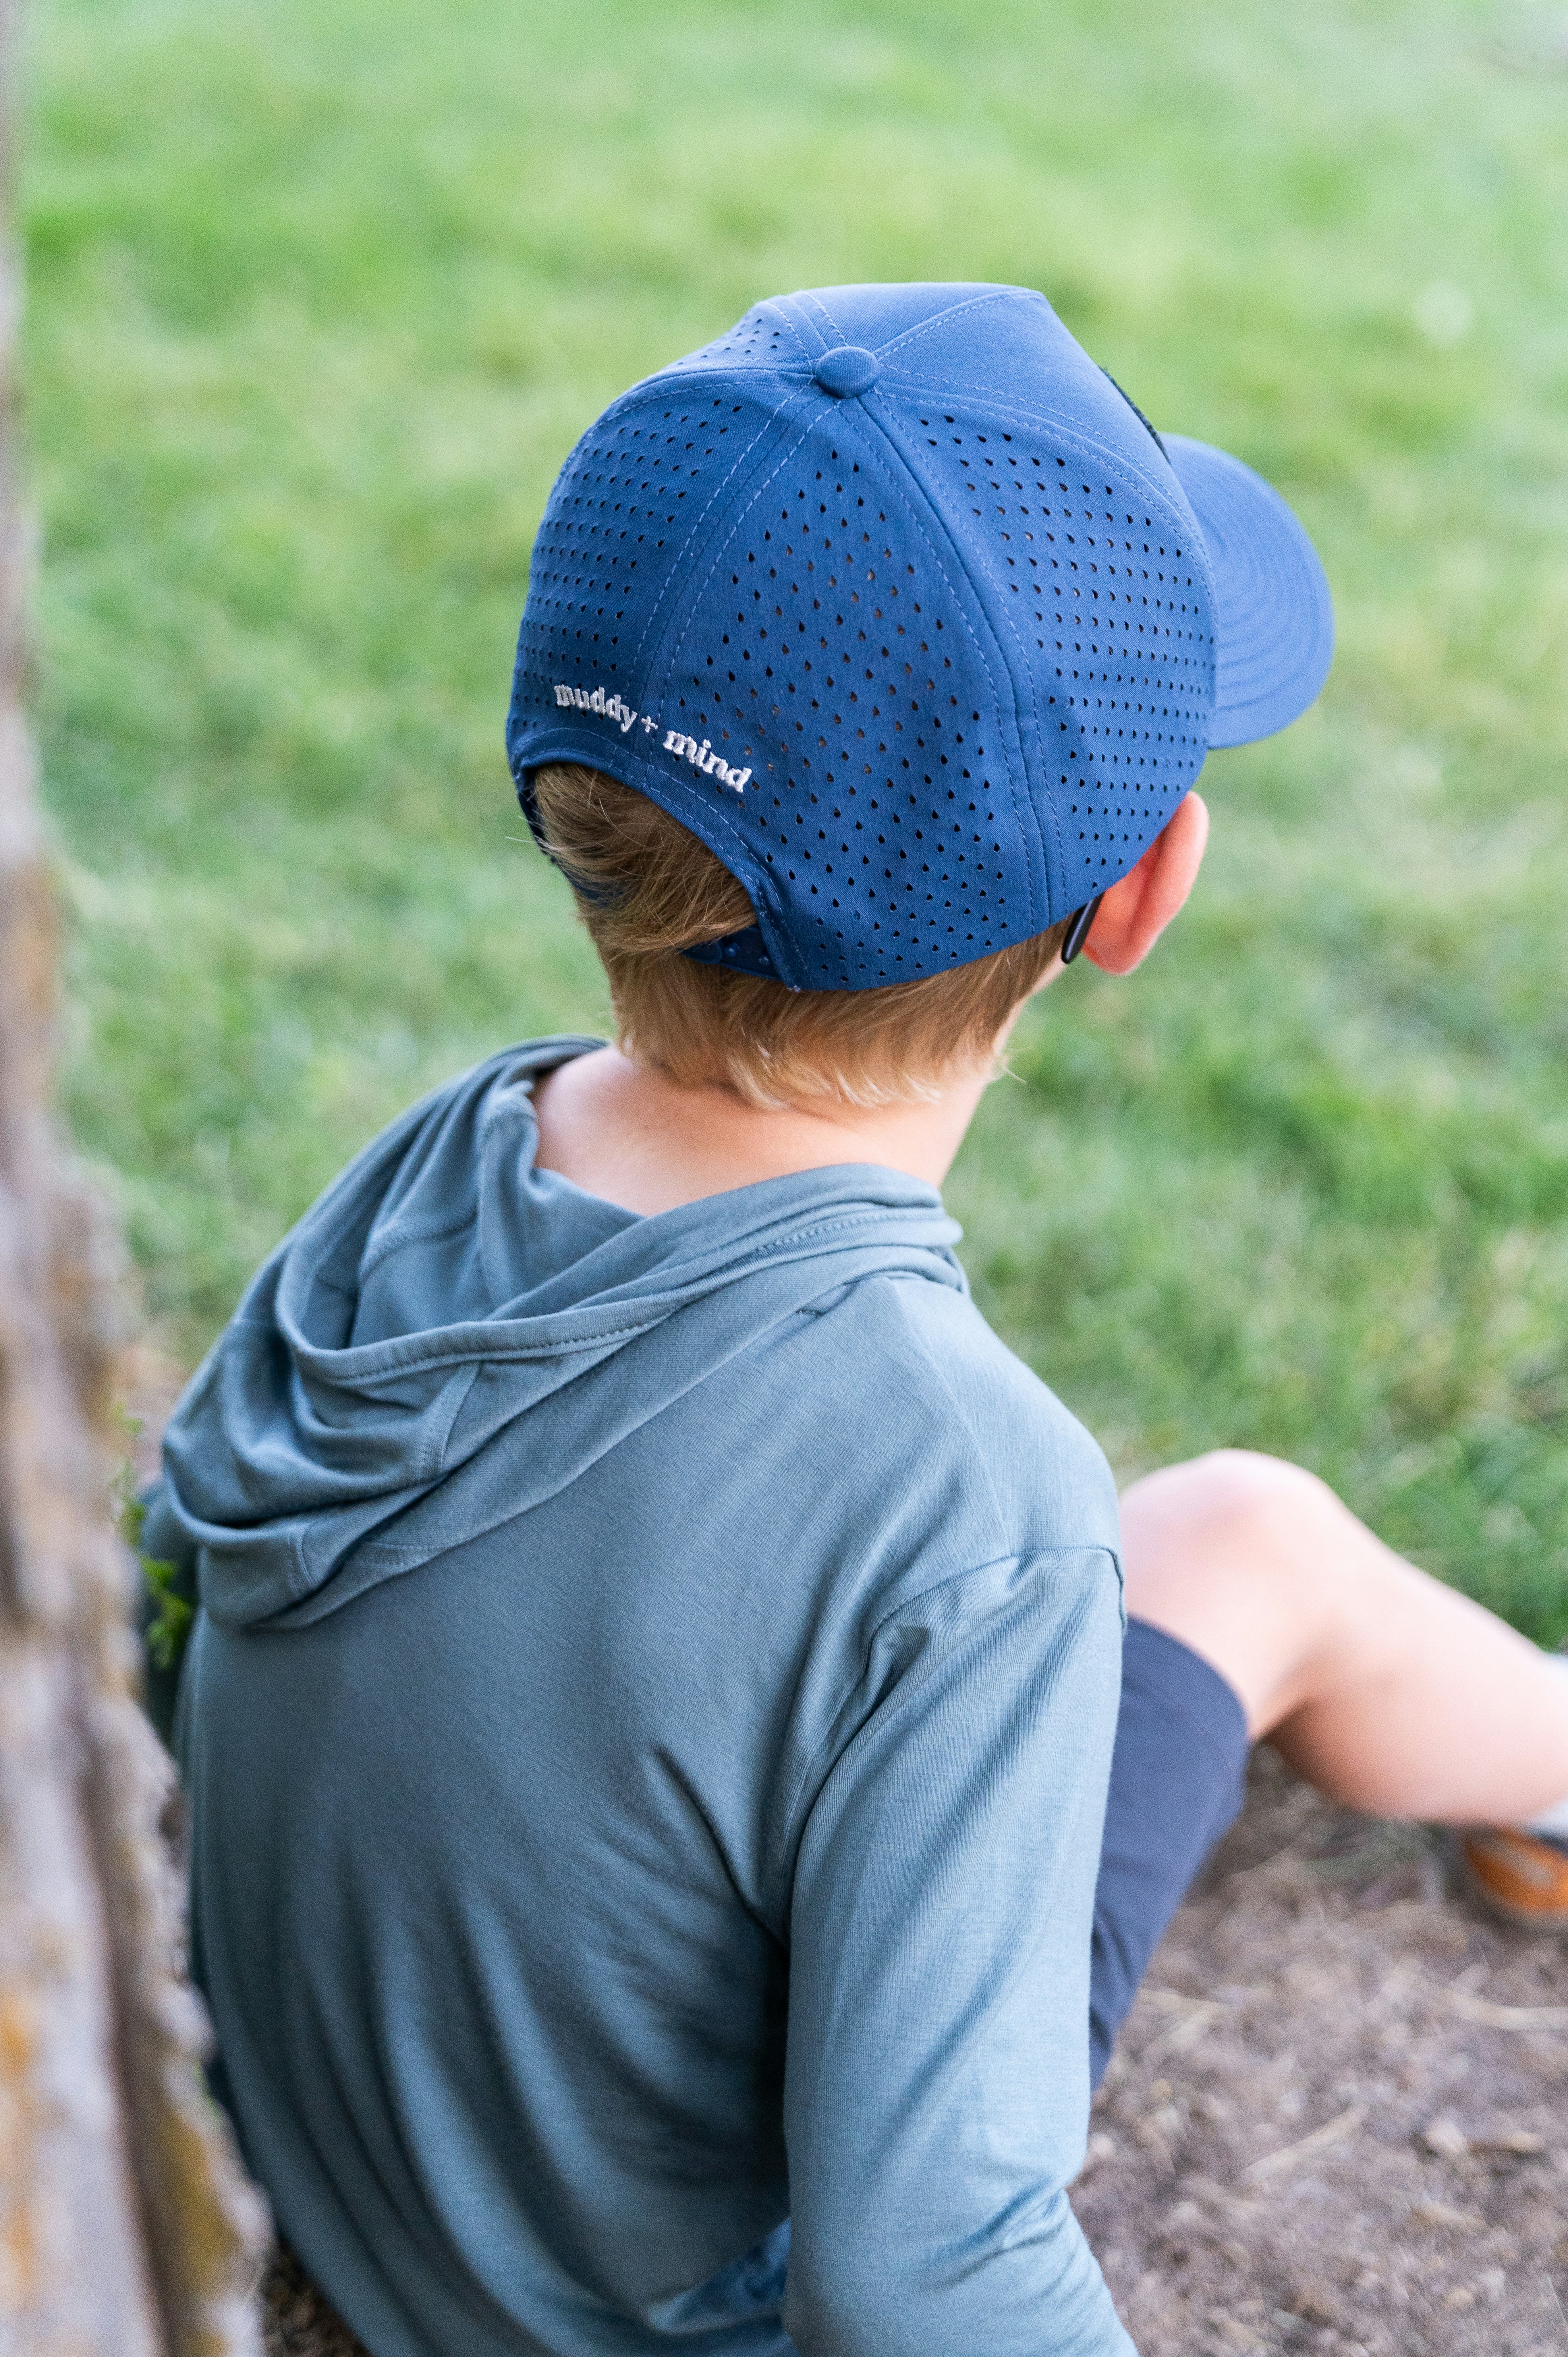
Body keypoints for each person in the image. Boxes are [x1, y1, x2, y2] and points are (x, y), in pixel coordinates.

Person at [145, 284, 1568, 2357]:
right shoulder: (963, 1501)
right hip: (641, 2307)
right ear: (1142, 894)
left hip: (362, 2176)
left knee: (1229, 1546)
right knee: (1253, 1539)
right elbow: (932, 2265)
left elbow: (178, 1598)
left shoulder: (446, 1157)